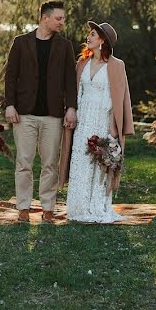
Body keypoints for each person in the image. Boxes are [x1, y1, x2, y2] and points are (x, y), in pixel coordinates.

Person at [4, 0, 78, 223]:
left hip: (53, 115)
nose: (62, 22)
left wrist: (71, 108)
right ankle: (23, 208)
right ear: (44, 18)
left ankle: (48, 208)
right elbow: (10, 76)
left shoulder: (65, 46)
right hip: (24, 113)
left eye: (63, 18)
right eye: (58, 18)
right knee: (24, 162)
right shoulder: (20, 43)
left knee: (50, 164)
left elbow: (70, 80)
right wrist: (9, 104)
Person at [59, 21, 134, 223]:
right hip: (83, 119)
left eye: (93, 34)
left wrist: (113, 126)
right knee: (80, 160)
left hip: (102, 118)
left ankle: (97, 206)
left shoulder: (116, 65)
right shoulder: (82, 63)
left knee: (100, 162)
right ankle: (77, 207)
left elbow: (119, 97)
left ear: (102, 40)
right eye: (89, 34)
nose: (88, 37)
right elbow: (76, 92)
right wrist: (71, 112)